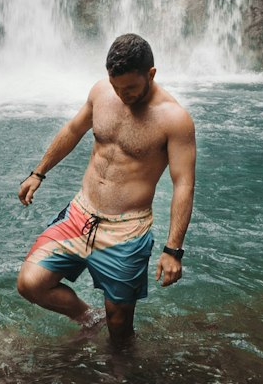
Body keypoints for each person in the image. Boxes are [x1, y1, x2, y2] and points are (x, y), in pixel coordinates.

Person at [16, 33, 196, 348]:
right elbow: (74, 129)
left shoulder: (174, 119)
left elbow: (184, 183)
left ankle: (120, 380)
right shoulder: (102, 92)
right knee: (30, 283)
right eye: (116, 86)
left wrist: (173, 251)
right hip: (80, 215)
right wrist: (38, 172)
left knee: (120, 323)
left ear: (151, 74)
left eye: (130, 88)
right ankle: (88, 317)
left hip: (127, 230)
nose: (122, 94)